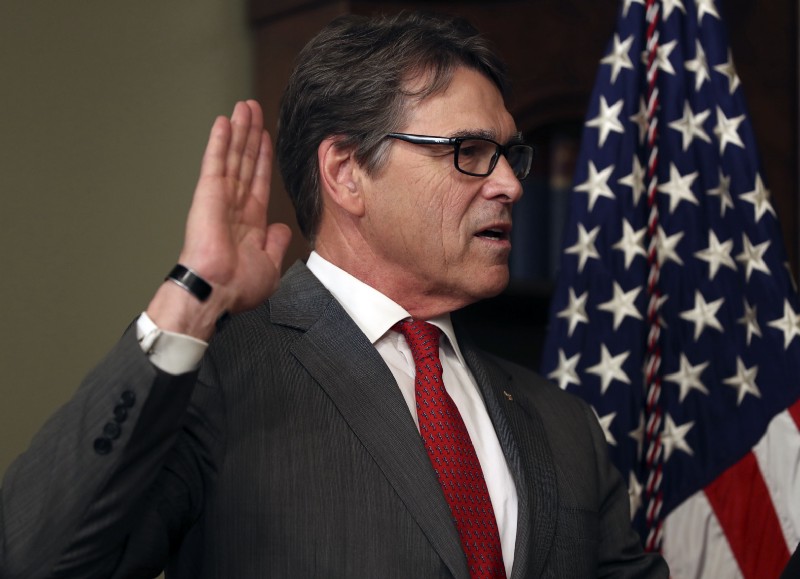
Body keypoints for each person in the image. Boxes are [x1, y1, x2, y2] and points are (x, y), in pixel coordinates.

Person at [0, 12, 668, 579]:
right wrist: (192, 294)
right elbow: (36, 557)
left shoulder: (562, 422)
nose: (509, 185)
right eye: (469, 150)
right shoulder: (218, 379)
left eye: (509, 156)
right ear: (348, 174)